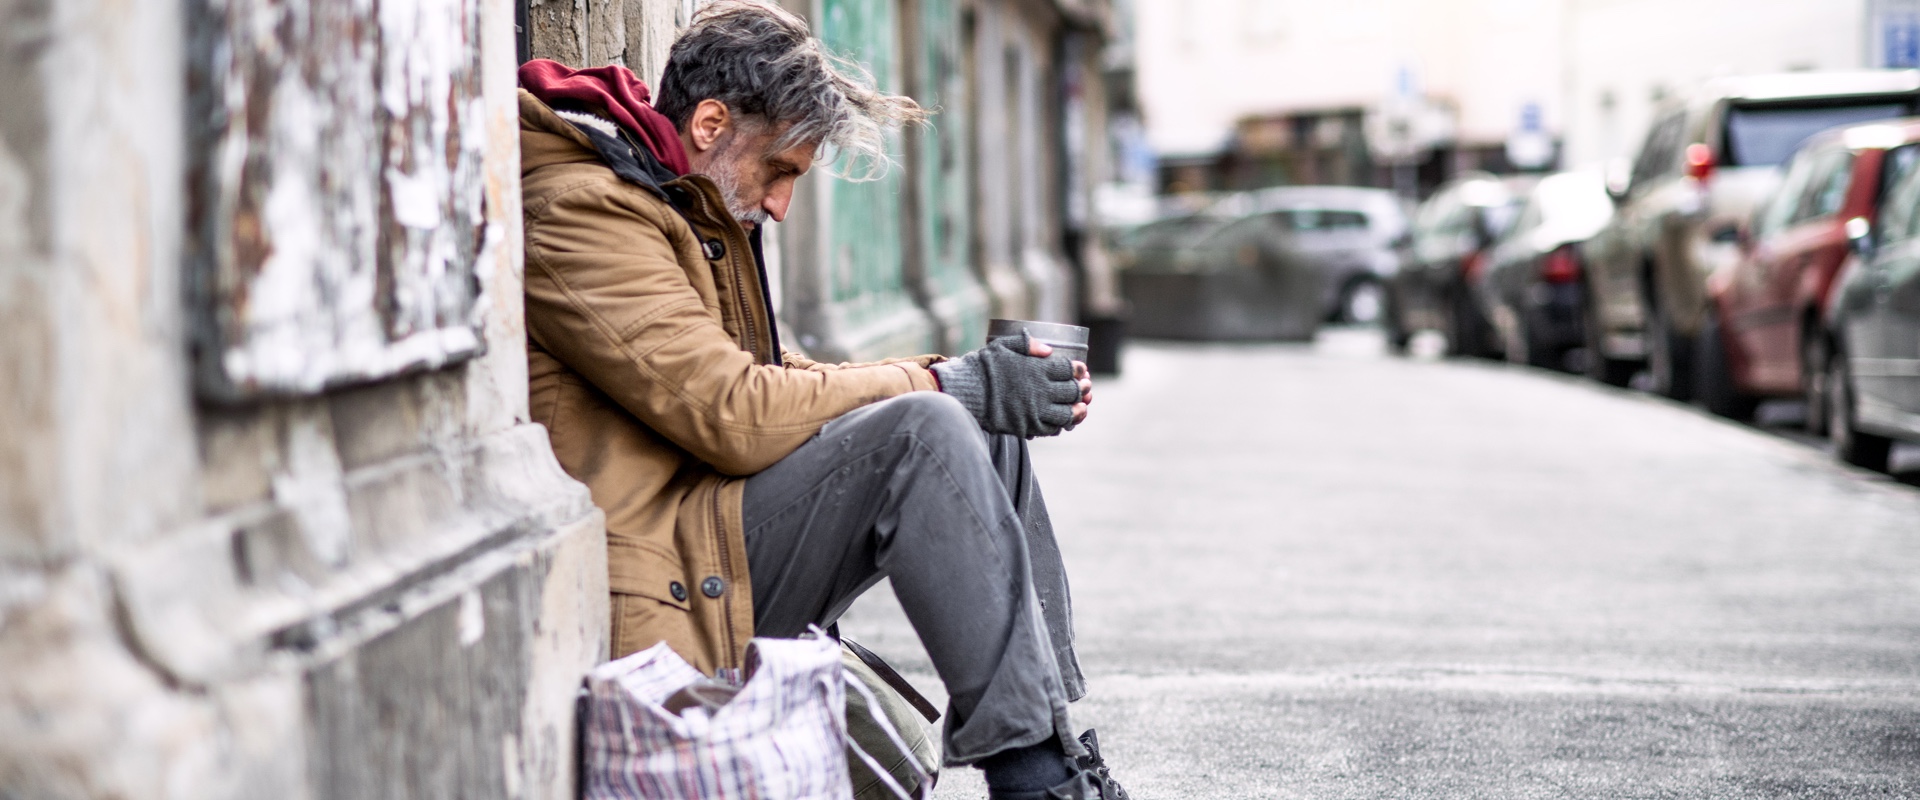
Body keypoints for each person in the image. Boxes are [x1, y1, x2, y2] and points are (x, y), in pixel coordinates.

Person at [516, 2, 1124, 797]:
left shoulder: (664, 195)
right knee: (928, 426)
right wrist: (945, 384)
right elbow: (731, 411)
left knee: (977, 417)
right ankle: (1039, 785)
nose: (779, 204)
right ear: (709, 124)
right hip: (662, 571)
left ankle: (1051, 748)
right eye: (781, 171)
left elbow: (773, 375)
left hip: (710, 526)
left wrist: (971, 375)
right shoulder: (582, 210)